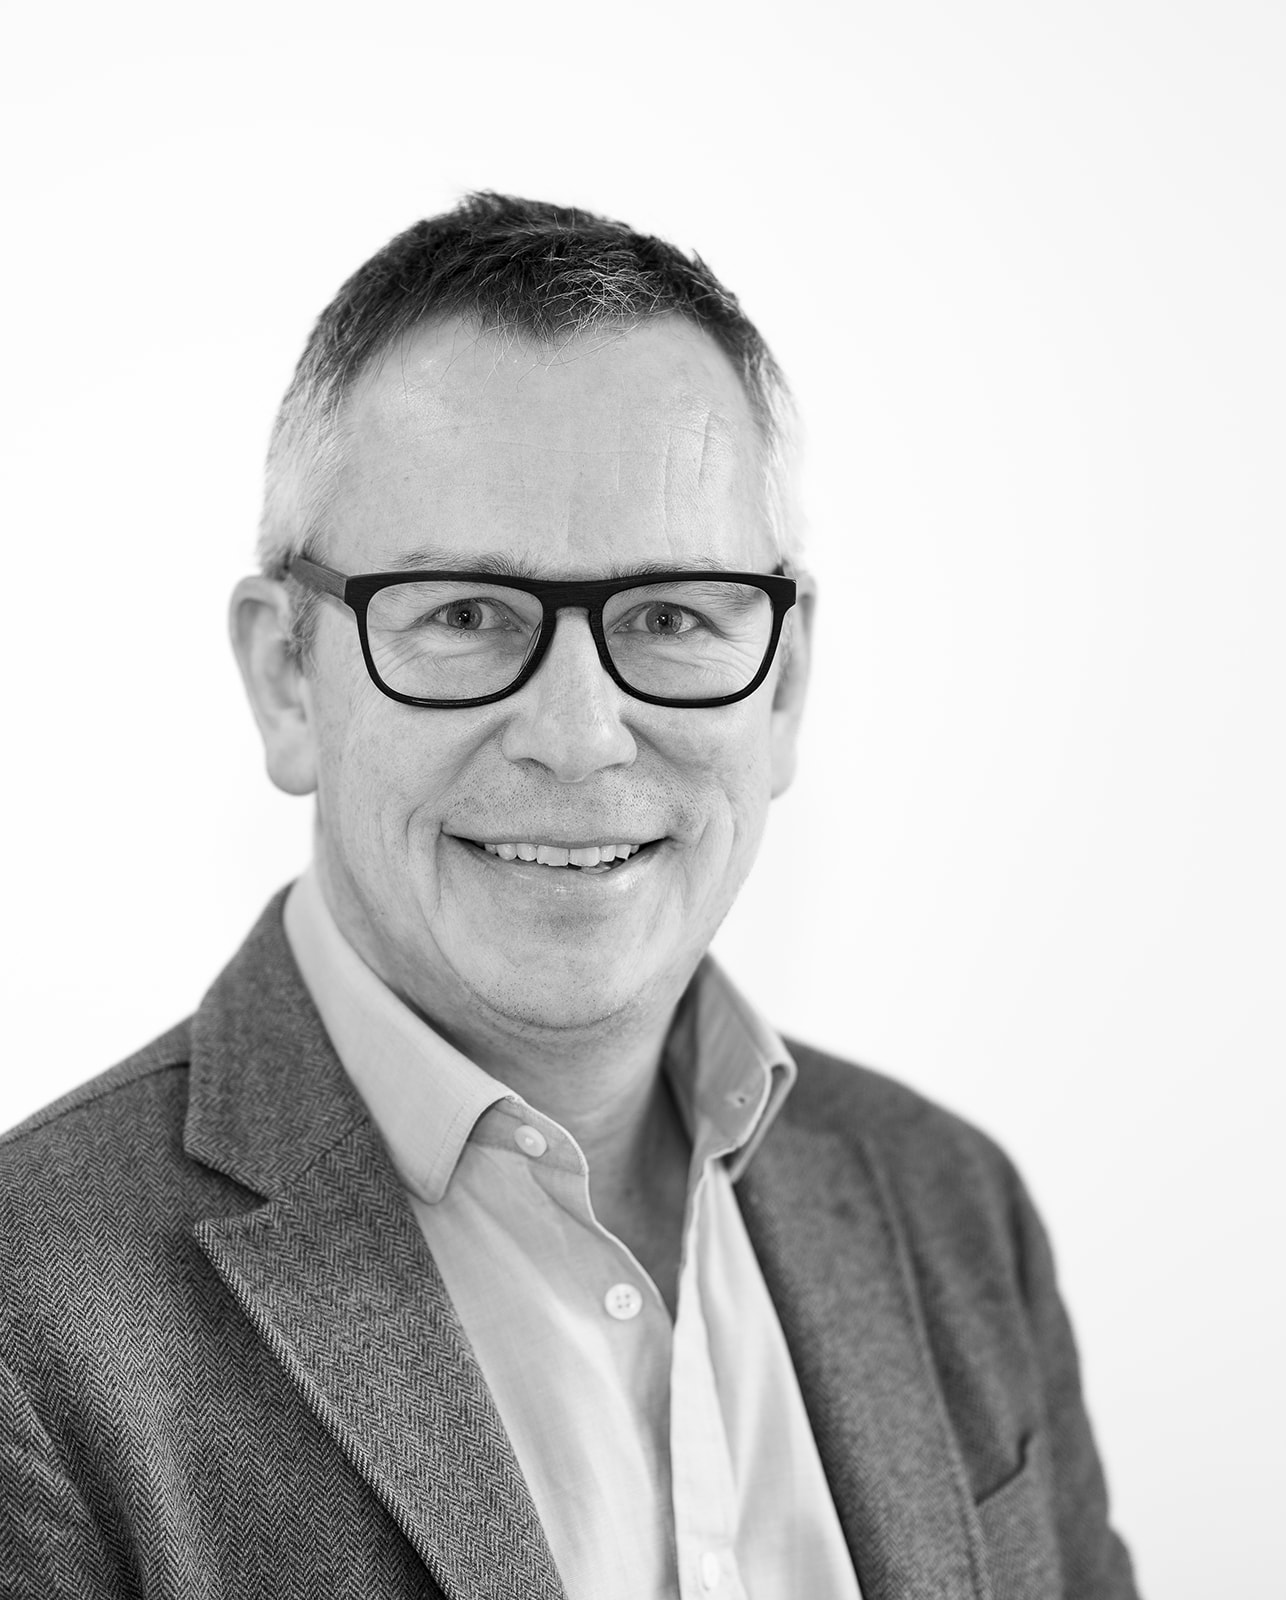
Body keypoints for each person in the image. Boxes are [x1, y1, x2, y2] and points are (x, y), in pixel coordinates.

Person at [0, 193, 1138, 1600]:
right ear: (288, 679)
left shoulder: (952, 1204)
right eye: (466, 615)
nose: (580, 733)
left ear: (782, 686)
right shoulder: (31, 1323)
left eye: (671, 617)